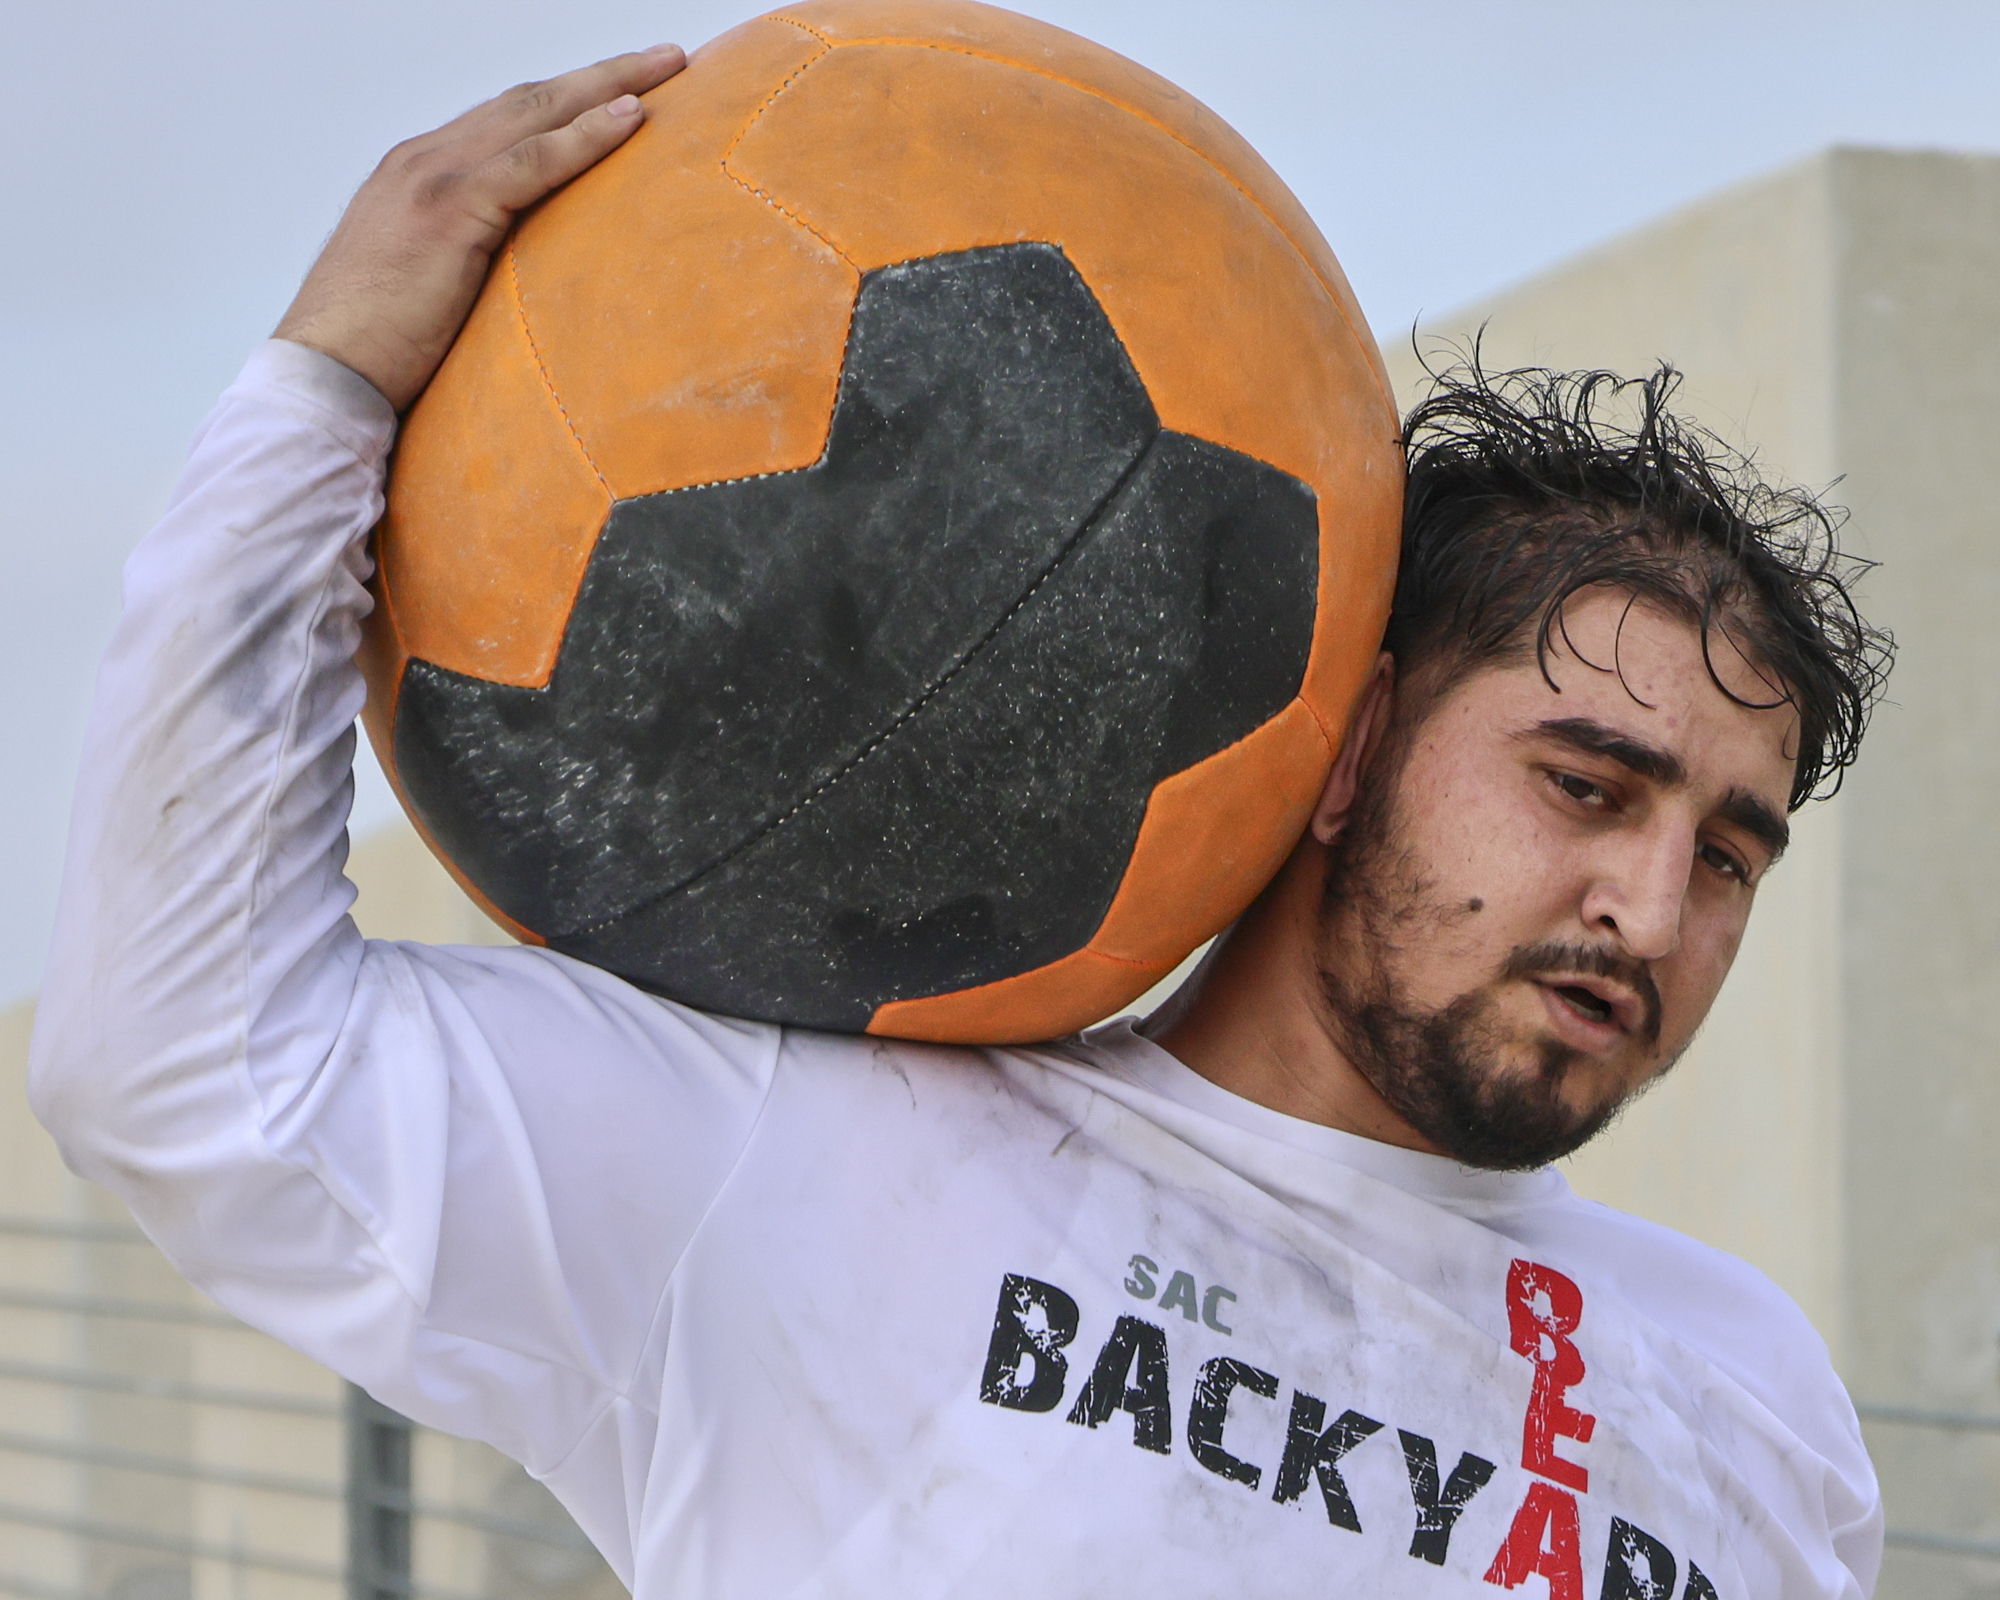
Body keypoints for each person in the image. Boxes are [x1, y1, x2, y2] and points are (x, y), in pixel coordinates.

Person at [29, 46, 1894, 1600]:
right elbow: (186, 1058)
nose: (1651, 912)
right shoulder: (795, 1165)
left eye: (1728, 856)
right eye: (1585, 787)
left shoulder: (1754, 1400)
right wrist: (324, 390)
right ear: (1355, 740)